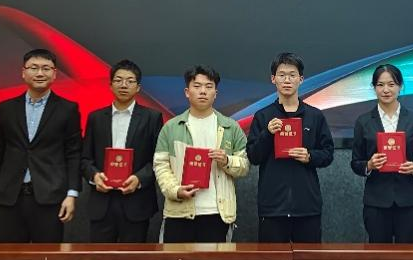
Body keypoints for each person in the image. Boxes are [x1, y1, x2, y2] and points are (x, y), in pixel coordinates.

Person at [0, 48, 81, 242]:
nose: (40, 73)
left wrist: (71, 194)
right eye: (34, 68)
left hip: (50, 197)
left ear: (54, 74)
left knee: (47, 257)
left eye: (46, 68)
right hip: (9, 197)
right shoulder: (6, 108)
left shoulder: (67, 109)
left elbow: (73, 154)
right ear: (23, 72)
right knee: (10, 257)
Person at [153, 65, 249, 242]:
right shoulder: (171, 127)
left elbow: (245, 165)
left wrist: (227, 160)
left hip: (217, 213)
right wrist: (175, 190)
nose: (203, 91)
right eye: (197, 86)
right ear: (187, 92)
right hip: (179, 212)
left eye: (208, 86)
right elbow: (161, 165)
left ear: (215, 93)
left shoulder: (230, 127)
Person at [247, 52, 334, 243]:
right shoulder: (263, 116)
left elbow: (328, 153)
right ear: (273, 79)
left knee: (308, 259)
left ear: (301, 79)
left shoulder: (314, 116)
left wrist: (310, 156)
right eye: (282, 75)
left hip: (307, 206)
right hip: (273, 207)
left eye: (292, 75)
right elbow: (253, 156)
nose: (287, 80)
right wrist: (267, 133)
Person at [80, 59, 164, 242]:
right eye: (118, 80)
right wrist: (94, 176)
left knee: (133, 258)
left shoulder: (152, 117)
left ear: (138, 87)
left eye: (130, 81)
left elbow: (159, 159)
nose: (124, 85)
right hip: (101, 201)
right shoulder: (95, 118)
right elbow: (85, 158)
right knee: (99, 257)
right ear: (110, 85)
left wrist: (139, 179)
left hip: (136, 201)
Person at [350, 64, 413, 243]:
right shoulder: (363, 121)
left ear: (400, 86)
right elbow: (356, 162)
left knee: (408, 255)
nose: (386, 90)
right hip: (376, 201)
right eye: (380, 85)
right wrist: (369, 165)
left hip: (408, 200)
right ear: (374, 88)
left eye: (391, 84)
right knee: (379, 255)